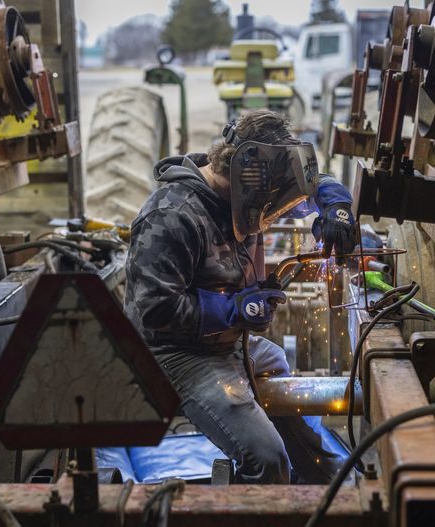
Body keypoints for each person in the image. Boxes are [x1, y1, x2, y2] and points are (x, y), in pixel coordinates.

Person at [124, 110, 358, 484]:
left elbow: (314, 185)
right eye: (270, 202)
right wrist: (232, 311)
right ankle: (264, 494)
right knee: (265, 457)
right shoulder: (172, 214)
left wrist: (336, 205)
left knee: (277, 364)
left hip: (228, 343)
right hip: (175, 355)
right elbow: (154, 309)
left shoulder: (251, 189)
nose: (272, 212)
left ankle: (324, 481)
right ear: (248, 177)